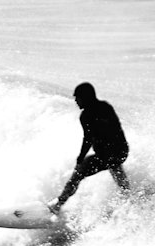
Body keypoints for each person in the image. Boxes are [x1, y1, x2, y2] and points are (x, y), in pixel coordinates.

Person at [50, 83, 129, 213]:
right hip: (120, 152)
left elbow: (88, 139)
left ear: (86, 97)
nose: (76, 101)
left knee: (78, 174)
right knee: (114, 166)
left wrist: (81, 158)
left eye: (78, 98)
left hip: (111, 153)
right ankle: (128, 198)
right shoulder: (105, 107)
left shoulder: (88, 115)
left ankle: (58, 205)